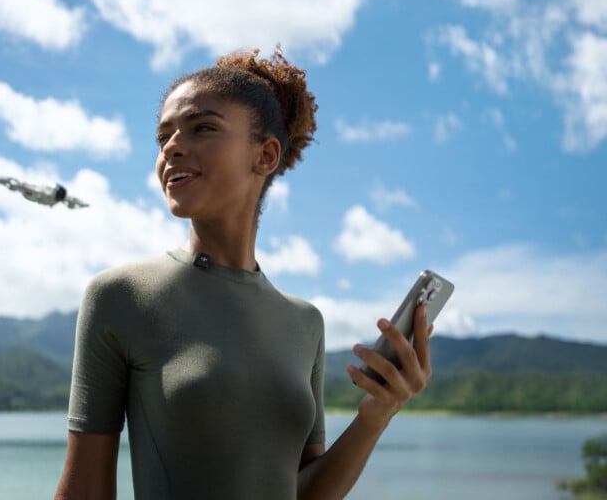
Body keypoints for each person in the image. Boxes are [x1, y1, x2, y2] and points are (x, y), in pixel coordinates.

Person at [54, 48, 432, 500]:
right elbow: (85, 490)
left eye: (202, 128)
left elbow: (305, 494)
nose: (172, 146)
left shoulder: (304, 323)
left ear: (266, 155)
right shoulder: (121, 296)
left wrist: (376, 417)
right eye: (163, 137)